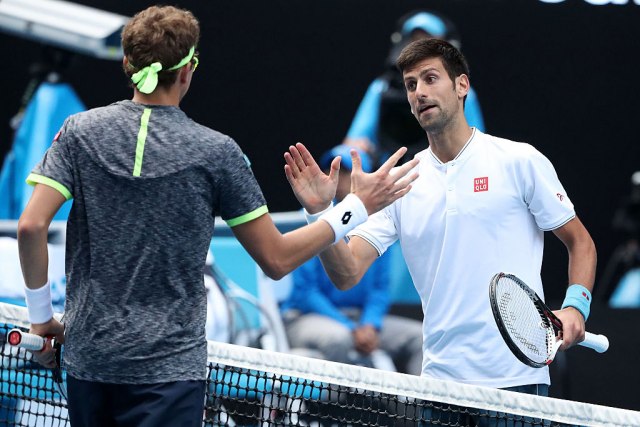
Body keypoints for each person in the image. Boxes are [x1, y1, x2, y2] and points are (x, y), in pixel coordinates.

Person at [15, 5, 419, 426]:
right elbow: (277, 259)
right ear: (188, 70)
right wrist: (355, 208)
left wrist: (41, 319)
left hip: (89, 365)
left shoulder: (78, 131)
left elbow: (30, 226)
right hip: (169, 376)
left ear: (127, 65)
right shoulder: (217, 153)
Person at [284, 37, 597, 409]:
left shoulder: (519, 161)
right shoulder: (399, 183)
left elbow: (580, 242)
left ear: (461, 86)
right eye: (411, 84)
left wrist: (575, 307)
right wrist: (322, 212)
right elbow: (347, 272)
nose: (419, 92)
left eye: (430, 78)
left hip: (516, 381)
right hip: (439, 386)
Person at [281, 144, 423, 375]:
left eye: (345, 171)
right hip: (308, 318)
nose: (336, 177)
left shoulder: (379, 220)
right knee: (339, 339)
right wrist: (350, 328)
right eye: (331, 170)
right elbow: (306, 293)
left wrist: (370, 324)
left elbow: (380, 289)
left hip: (361, 321)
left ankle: (424, 400)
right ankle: (342, 401)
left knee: (419, 338)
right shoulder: (311, 217)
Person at [343, 10, 485, 167]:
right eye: (415, 40)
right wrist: (354, 152)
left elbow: (475, 146)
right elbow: (354, 141)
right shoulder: (381, 88)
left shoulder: (461, 90)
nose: (420, 93)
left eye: (430, 42)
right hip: (391, 170)